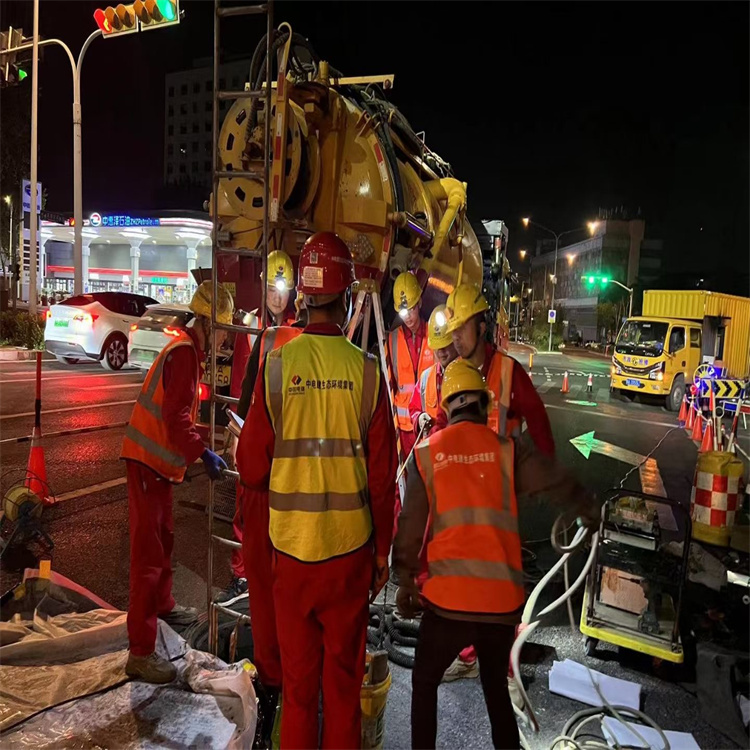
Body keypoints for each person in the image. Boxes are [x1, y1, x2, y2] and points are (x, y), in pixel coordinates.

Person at [237, 231, 397, 749]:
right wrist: (382, 556)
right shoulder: (368, 374)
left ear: (303, 296)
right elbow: (381, 485)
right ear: (347, 295)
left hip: (292, 560)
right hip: (349, 560)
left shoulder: (277, 368)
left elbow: (250, 465)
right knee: (343, 689)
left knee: (301, 693)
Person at [393, 360, 599, 750]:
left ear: (448, 407)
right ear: (483, 406)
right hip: (501, 608)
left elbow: (409, 525)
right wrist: (587, 506)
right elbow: (554, 480)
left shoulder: (428, 454)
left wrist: (404, 581)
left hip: (448, 607)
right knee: (494, 690)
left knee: (423, 683)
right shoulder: (507, 451)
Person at [121, 280, 233, 684]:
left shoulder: (186, 350)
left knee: (164, 537)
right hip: (147, 462)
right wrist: (202, 452)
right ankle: (140, 651)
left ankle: (164, 604)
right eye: (221, 331)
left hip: (156, 466)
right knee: (148, 556)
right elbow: (174, 417)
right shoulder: (185, 353)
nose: (225, 340)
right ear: (206, 322)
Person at [444, 282, 555, 682]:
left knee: (500, 582)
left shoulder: (508, 372)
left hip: (500, 495)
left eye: (462, 328)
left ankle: (498, 654)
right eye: (452, 329)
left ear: (482, 324)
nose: (455, 337)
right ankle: (472, 654)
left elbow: (539, 423)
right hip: (465, 497)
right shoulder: (454, 374)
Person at [221, 250, 298, 605]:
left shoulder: (300, 330)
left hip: (286, 431)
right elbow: (240, 384)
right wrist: (235, 436)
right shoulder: (249, 326)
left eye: (282, 288)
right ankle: (241, 573)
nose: (276, 296)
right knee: (244, 503)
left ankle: (273, 569)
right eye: (271, 287)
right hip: (252, 426)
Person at [388, 271, 434, 518]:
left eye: (411, 311)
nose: (408, 317)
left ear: (419, 304)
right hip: (404, 431)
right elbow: (391, 385)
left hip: (429, 427)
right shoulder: (392, 340)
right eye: (403, 313)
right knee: (402, 485)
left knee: (429, 485)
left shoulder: (434, 338)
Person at [408, 304, 456, 438]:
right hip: (432, 453)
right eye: (437, 346)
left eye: (445, 346)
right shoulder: (426, 378)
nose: (441, 352)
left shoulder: (468, 376)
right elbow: (414, 409)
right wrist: (419, 418)